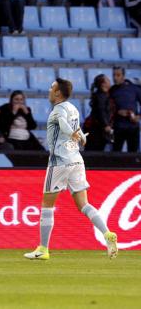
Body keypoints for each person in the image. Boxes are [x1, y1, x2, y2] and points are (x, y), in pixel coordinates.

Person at [24, 78, 118, 261]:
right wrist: (81, 136)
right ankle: (107, 234)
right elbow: (76, 128)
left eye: (52, 87)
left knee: (47, 205)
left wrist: (73, 134)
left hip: (59, 162)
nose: (50, 89)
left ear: (58, 93)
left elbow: (65, 126)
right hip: (76, 160)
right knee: (83, 204)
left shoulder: (58, 110)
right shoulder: (73, 108)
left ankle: (43, 249)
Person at [110, 66, 141, 152]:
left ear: (123, 76)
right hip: (118, 127)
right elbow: (107, 109)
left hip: (133, 127)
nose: (115, 78)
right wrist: (117, 112)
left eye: (118, 75)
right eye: (114, 75)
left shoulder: (134, 88)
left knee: (133, 155)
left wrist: (138, 116)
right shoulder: (112, 90)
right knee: (116, 154)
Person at [84, 74, 113, 151]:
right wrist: (106, 125)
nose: (110, 82)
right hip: (96, 130)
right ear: (103, 84)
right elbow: (101, 111)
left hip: (97, 129)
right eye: (108, 80)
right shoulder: (101, 96)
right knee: (94, 152)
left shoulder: (103, 95)